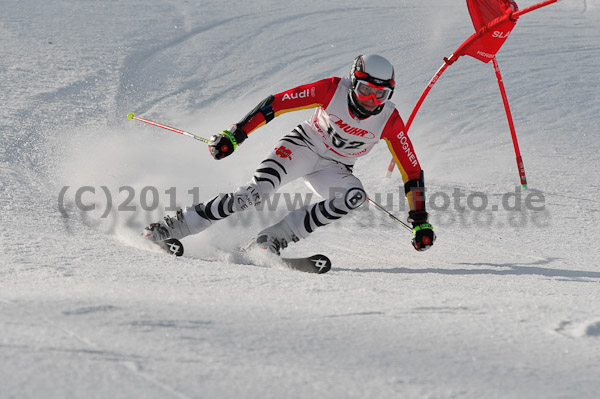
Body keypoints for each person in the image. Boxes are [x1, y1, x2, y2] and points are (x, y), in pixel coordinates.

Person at [143, 54, 435, 254]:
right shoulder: (332, 89)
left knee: (354, 197)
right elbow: (277, 103)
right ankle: (175, 225)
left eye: (380, 95)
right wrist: (236, 134)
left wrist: (419, 218)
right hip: (301, 147)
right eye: (365, 90)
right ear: (352, 82)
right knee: (254, 194)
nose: (371, 101)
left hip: (334, 168)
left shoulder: (389, 120)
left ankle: (273, 239)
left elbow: (411, 171)